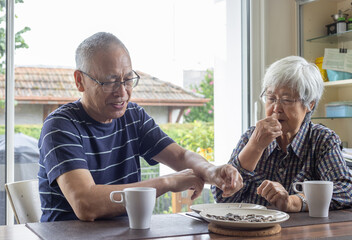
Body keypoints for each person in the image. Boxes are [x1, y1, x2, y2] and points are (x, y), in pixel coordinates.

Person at [38, 32, 243, 222]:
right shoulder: (61, 126)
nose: (122, 92)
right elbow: (86, 205)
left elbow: (180, 157)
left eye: (128, 80)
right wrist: (167, 182)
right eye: (110, 82)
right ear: (80, 81)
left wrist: (212, 171)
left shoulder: (133, 116)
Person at [212, 56, 352, 212]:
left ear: (309, 104)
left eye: (286, 100)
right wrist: (255, 147)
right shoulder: (251, 136)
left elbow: (346, 190)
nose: (276, 108)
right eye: (271, 98)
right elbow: (222, 197)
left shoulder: (322, 140)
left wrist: (294, 202)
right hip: (251, 231)